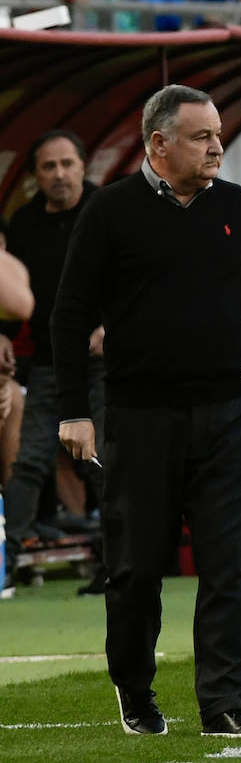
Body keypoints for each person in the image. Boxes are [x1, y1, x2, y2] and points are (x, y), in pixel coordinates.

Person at [50, 85, 241, 737]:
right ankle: (135, 691)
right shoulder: (111, 211)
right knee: (134, 566)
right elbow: (70, 314)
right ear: (159, 144)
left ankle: (225, 704)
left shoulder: (237, 207)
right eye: (201, 135)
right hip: (139, 415)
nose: (217, 145)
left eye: (217, 134)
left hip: (224, 412)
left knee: (225, 561)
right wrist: (75, 409)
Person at [0, 131, 106, 584]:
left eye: (67, 163)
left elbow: (143, 276)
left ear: (84, 167)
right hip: (50, 361)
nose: (59, 174)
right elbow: (12, 292)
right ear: (34, 178)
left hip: (108, 361)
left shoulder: (109, 210)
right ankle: (12, 549)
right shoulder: (22, 225)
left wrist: (112, 326)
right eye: (49, 166)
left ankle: (121, 555)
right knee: (31, 454)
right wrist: (2, 334)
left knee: (103, 455)